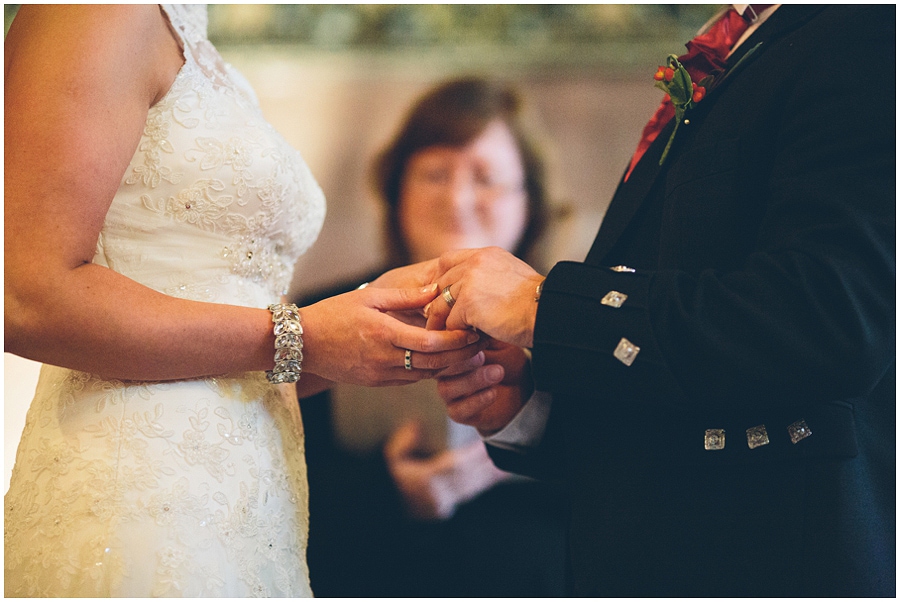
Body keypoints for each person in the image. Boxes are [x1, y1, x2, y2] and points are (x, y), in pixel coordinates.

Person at [3, 6, 482, 597]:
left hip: (248, 493)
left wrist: (352, 333)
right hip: (145, 484)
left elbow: (236, 322)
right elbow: (25, 296)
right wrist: (300, 336)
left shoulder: (201, 45)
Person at [419, 5, 894, 597]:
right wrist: (530, 405)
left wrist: (545, 307)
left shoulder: (865, 29)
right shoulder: (744, 39)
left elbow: (832, 316)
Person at [297, 78, 567, 597]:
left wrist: (528, 447)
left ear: (529, 200)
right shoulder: (322, 313)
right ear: (396, 190)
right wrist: (389, 492)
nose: (458, 198)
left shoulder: (571, 322)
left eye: (486, 178)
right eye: (435, 174)